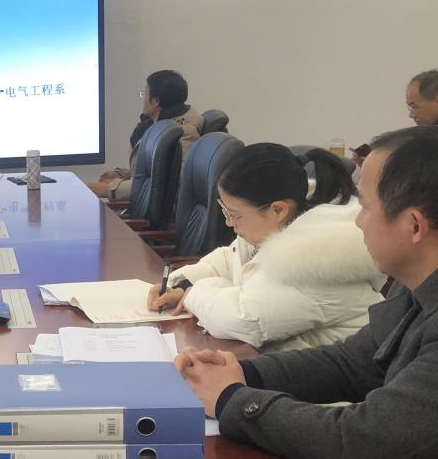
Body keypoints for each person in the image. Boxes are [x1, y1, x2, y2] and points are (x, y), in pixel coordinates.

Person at [174, 126, 438, 459]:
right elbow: (353, 363)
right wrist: (244, 374)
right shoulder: (432, 278)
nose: (357, 221)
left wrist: (232, 400)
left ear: (414, 226)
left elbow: (365, 442)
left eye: (366, 207)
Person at [149, 143, 383, 352]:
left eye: (234, 215)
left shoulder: (316, 259)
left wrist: (195, 293)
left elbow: (243, 319)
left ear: (277, 210)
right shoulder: (280, 224)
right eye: (225, 211)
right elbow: (231, 260)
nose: (229, 223)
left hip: (331, 384)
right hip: (284, 368)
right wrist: (182, 284)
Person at [90, 70, 204, 200]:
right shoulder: (154, 125)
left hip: (160, 211)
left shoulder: (183, 133)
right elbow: (156, 171)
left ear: (155, 101)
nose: (143, 98)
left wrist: (112, 190)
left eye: (145, 94)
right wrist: (122, 175)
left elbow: (167, 183)